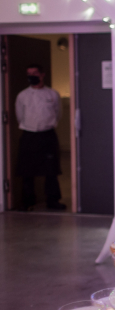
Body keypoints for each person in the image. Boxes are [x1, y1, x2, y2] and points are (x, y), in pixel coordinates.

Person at [15, 64, 65, 211]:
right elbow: (19, 116)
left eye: (35, 73)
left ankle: (53, 200)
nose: (32, 76)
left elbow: (58, 114)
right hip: (29, 135)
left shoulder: (52, 94)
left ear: (42, 75)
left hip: (47, 134)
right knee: (27, 170)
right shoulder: (22, 95)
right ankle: (27, 201)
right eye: (29, 73)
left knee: (51, 169)